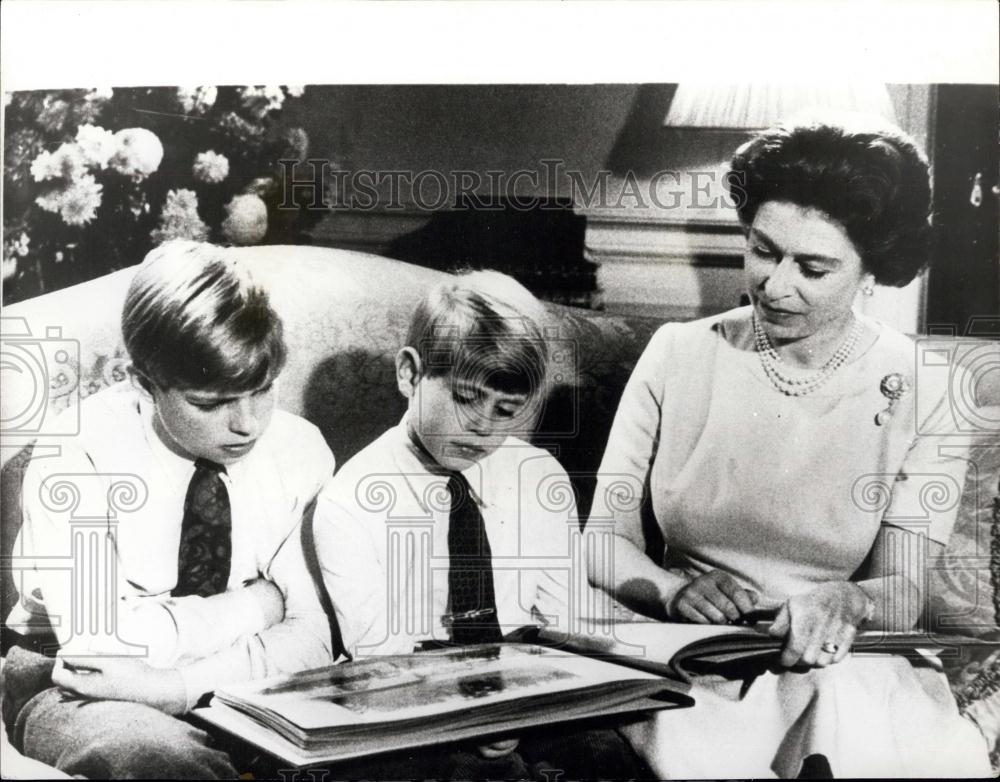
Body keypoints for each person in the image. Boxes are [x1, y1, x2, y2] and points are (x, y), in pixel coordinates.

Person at [588, 117, 993, 778]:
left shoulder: (933, 389)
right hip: (696, 654)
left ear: (871, 270)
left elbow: (902, 589)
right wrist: (669, 592)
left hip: (845, 659)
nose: (776, 285)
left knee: (842, 715)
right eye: (764, 250)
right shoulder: (676, 354)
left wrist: (850, 600)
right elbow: (602, 541)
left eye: (813, 267)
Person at [2, 241, 336, 779]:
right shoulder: (79, 446)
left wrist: (176, 687)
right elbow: (99, 648)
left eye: (263, 390)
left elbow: (318, 634)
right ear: (143, 384)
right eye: (209, 403)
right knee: (162, 762)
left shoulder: (301, 450)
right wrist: (260, 606)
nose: (248, 423)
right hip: (70, 683)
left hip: (249, 686)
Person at [314, 270, 647, 779]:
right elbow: (382, 658)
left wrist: (534, 697)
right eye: (467, 398)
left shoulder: (536, 475)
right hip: (418, 699)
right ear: (409, 374)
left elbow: (566, 618)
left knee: (612, 756)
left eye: (507, 409)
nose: (484, 426)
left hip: (532, 687)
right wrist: (479, 708)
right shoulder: (350, 501)